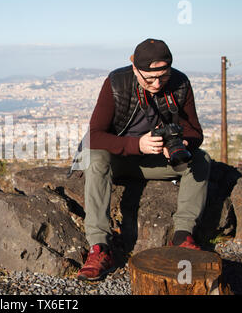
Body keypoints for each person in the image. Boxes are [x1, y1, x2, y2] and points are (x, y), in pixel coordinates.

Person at [69, 38, 211, 281]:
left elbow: (195, 131)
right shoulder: (116, 83)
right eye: (149, 78)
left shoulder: (180, 84)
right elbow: (94, 135)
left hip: (155, 159)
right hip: (117, 159)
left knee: (201, 160)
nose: (157, 84)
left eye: (163, 77)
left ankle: (182, 236)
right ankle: (99, 247)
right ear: (135, 68)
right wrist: (137, 144)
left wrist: (178, 144)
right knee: (94, 158)